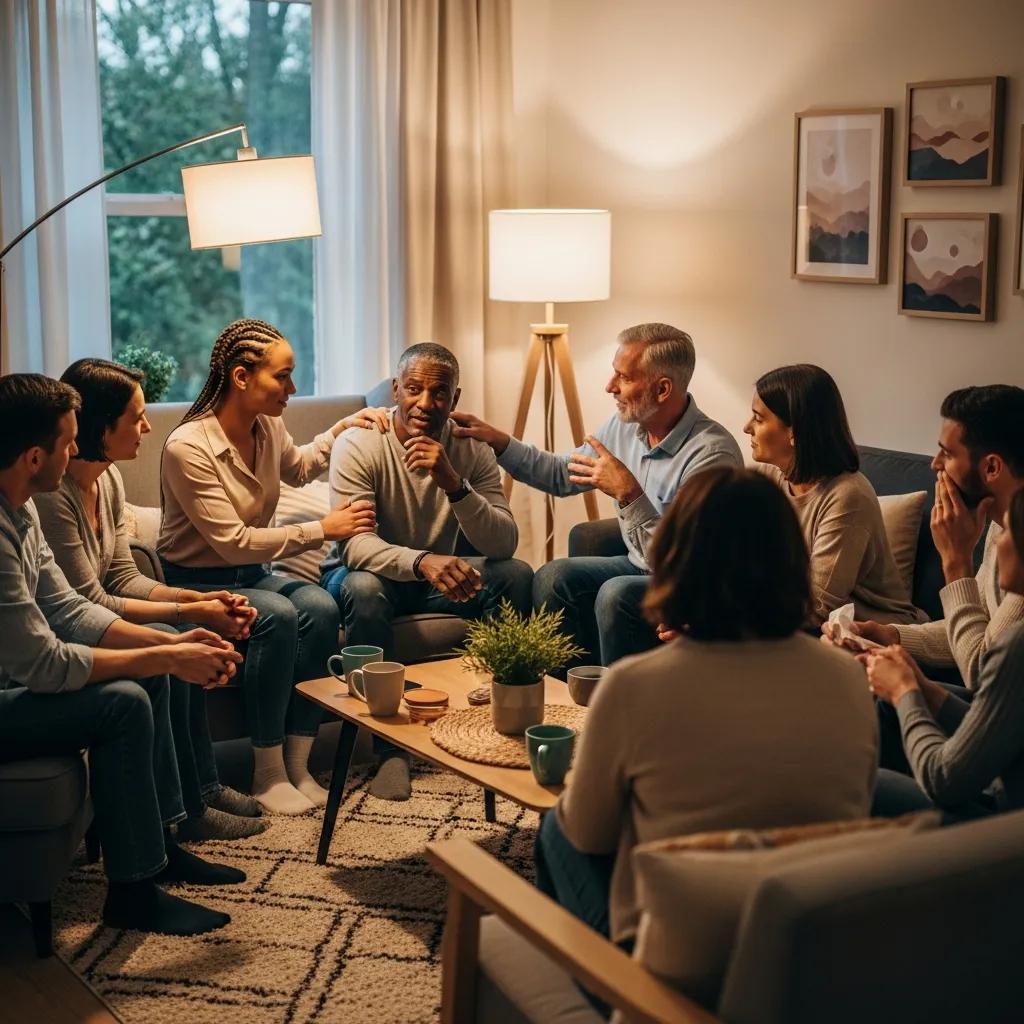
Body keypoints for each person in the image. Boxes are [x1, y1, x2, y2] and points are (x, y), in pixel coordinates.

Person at [535, 466, 878, 946]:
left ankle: (579, 974)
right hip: (806, 947)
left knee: (556, 827)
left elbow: (590, 835)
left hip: (676, 965)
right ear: (792, 559)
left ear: (677, 557)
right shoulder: (848, 677)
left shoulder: (634, 686)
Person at [0, 373, 247, 935]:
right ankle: (133, 894)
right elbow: (45, 664)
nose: (75, 451)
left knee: (151, 678)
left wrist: (173, 644)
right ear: (34, 457)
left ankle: (157, 845)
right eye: (68, 443)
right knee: (125, 701)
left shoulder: (21, 507)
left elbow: (69, 609)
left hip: (18, 684)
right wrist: (167, 655)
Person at [159, 318, 386, 815]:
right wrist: (323, 529)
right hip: (197, 581)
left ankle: (298, 763)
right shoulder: (187, 447)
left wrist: (343, 428)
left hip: (252, 575)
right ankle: (268, 773)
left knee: (320, 606)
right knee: (278, 615)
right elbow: (233, 543)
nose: (292, 388)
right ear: (242, 377)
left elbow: (299, 468)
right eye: (282, 377)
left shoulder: (267, 426)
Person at [36, 358, 264, 842]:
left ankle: (203, 788)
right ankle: (186, 811)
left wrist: (198, 599)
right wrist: (189, 612)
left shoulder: (108, 479)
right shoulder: (53, 497)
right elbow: (88, 603)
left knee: (179, 633)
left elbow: (123, 577)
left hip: (97, 618)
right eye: (136, 417)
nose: (147, 426)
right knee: (169, 637)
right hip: (64, 635)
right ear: (102, 426)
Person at [451, 323, 741, 669]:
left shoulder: (710, 456)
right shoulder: (626, 426)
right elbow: (562, 474)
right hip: (638, 562)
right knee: (554, 576)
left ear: (663, 389)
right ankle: (563, 693)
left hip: (689, 580)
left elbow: (682, 563)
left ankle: (615, 699)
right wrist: (500, 443)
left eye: (624, 377)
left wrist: (629, 494)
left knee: (615, 593)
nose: (609, 386)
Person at [320, 342, 534, 800]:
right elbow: (354, 546)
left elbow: (503, 542)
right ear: (396, 389)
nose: (425, 403)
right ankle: (389, 750)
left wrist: (453, 484)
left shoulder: (469, 447)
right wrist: (421, 561)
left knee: (514, 574)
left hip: (431, 579)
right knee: (363, 588)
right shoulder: (360, 443)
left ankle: (499, 720)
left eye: (439, 393)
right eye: (414, 389)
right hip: (366, 575)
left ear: (455, 399)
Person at [823, 385, 1024, 689]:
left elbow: (985, 676)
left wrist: (956, 562)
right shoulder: (1002, 524)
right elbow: (975, 624)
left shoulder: (1018, 550)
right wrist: (892, 635)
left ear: (992, 467)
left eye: (947, 453)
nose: (935, 464)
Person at [867, 487, 1024, 818]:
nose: (997, 543)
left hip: (1005, 824)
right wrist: (920, 684)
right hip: (1003, 775)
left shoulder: (1017, 644)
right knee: (888, 709)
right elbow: (997, 716)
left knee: (866, 784)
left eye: (1008, 531)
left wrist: (905, 692)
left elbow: (942, 778)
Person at [745, 363, 924, 628]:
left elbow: (817, 607)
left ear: (794, 431)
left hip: (871, 630)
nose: (746, 427)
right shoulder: (766, 476)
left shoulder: (848, 496)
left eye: (759, 419)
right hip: (797, 623)